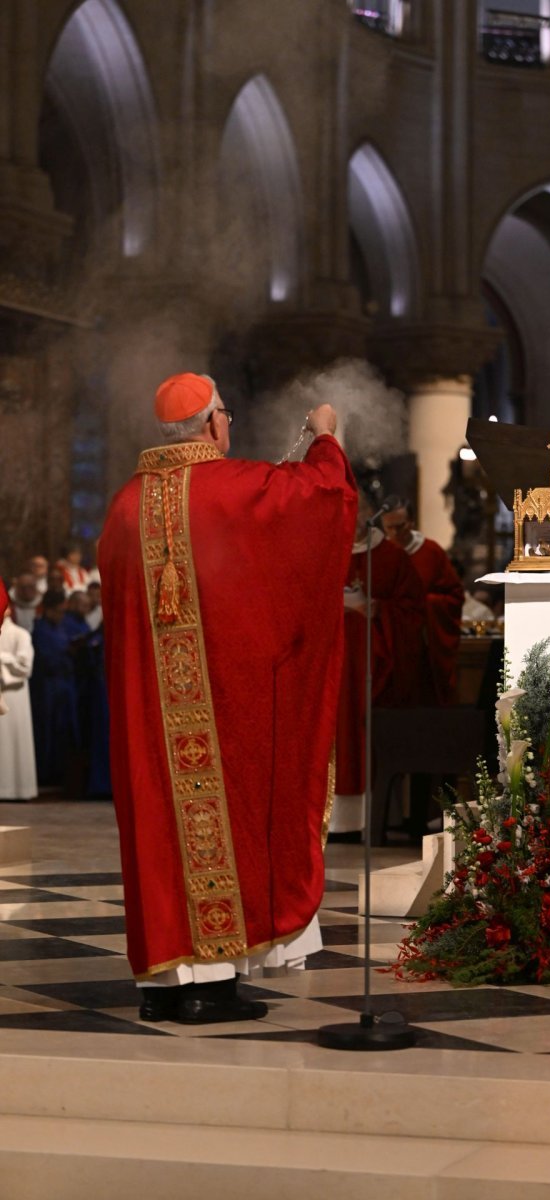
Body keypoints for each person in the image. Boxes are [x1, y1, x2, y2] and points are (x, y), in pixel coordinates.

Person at [98, 372, 356, 1025]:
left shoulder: (125, 505)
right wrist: (326, 437)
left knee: (160, 827)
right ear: (213, 423)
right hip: (224, 707)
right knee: (227, 824)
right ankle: (208, 984)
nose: (230, 426)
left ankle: (163, 982)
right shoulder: (233, 488)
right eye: (227, 417)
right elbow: (320, 500)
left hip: (150, 717)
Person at [330, 492, 425, 836]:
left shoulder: (391, 557)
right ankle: (337, 820)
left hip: (376, 663)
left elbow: (413, 608)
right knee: (337, 732)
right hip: (335, 665)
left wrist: (380, 610)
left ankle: (377, 816)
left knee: (369, 734)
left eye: (360, 512)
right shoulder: (326, 550)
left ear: (370, 514)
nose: (354, 520)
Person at [381, 495, 464, 705]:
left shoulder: (431, 552)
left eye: (399, 526)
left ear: (411, 523)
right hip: (393, 642)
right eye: (388, 528)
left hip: (426, 643)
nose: (394, 533)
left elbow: (454, 596)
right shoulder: (383, 554)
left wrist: (427, 605)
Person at [29, 588, 79, 790]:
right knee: (47, 729)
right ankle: (47, 773)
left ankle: (62, 771)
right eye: (58, 611)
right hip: (47, 688)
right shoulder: (40, 630)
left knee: (65, 729)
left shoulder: (61, 627)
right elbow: (45, 658)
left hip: (65, 685)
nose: (61, 615)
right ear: (48, 610)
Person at [0, 601, 38, 800]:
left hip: (13, 694)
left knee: (14, 741)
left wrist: (3, 660)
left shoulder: (20, 634)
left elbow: (25, 667)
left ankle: (19, 789)